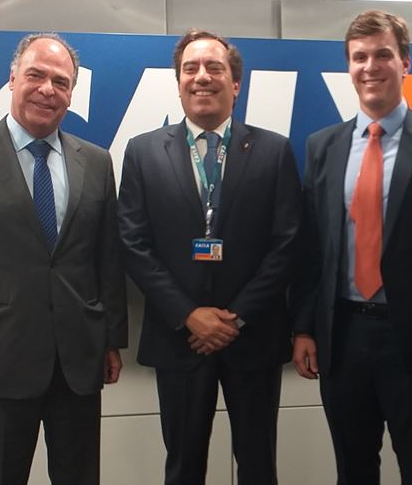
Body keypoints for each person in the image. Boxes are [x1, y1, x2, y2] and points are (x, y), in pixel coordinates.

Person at [0, 33, 128, 485]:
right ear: (13, 78)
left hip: (77, 363)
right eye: (36, 75)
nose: (47, 89)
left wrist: (112, 339)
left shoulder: (96, 162)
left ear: (71, 94)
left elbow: (106, 260)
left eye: (61, 81)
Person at [292, 10, 412, 484]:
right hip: (342, 336)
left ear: (405, 63)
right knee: (353, 469)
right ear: (348, 67)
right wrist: (304, 328)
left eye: (382, 55)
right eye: (359, 57)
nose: (370, 66)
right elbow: (311, 249)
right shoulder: (323, 146)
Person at [117, 29, 302, 485]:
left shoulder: (274, 150)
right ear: (178, 82)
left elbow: (287, 244)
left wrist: (235, 318)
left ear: (235, 84)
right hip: (179, 338)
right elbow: (133, 243)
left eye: (214, 68)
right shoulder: (143, 151)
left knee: (258, 466)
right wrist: (189, 315)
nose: (202, 76)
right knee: (183, 467)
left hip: (252, 337)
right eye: (191, 68)